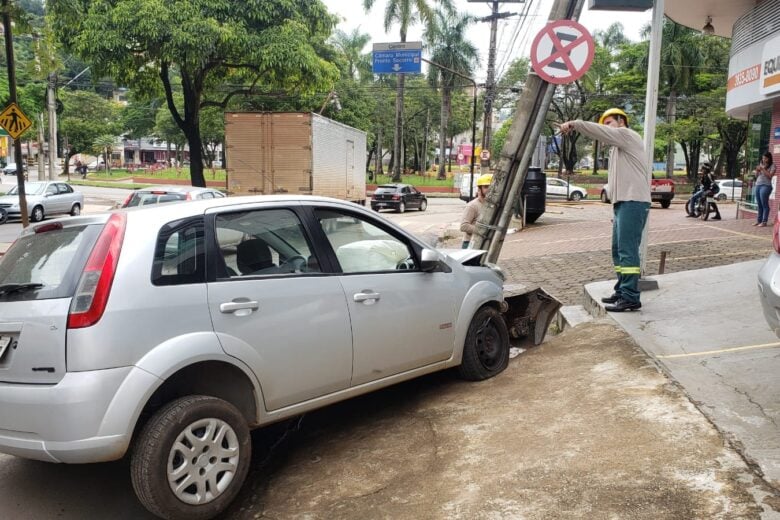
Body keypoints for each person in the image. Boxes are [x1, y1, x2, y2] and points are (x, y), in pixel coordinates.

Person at [558, 108, 650, 312]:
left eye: (609, 123)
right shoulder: (617, 149)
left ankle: (630, 296)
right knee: (618, 252)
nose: (606, 127)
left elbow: (599, 132)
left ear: (621, 121)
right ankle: (622, 290)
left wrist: (575, 124)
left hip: (633, 201)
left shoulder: (627, 135)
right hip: (622, 203)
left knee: (627, 251)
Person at [460, 173, 492, 249]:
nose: (489, 189)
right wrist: (482, 230)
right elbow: (463, 226)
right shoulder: (472, 205)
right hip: (470, 244)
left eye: (491, 187)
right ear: (479, 189)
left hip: (484, 243)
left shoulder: (491, 206)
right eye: (486, 187)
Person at [754, 151, 775, 227]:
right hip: (758, 185)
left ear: (769, 159)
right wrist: (757, 171)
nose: (763, 160)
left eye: (765, 158)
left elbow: (770, 176)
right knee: (759, 204)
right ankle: (759, 221)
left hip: (766, 186)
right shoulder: (761, 165)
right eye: (763, 158)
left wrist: (762, 169)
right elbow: (757, 176)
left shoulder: (772, 165)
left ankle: (764, 221)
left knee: (764, 204)